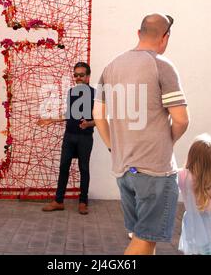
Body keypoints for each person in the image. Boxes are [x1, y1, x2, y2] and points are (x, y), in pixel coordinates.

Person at [93, 13, 189, 255]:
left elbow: (98, 115)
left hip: (125, 169)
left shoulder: (111, 66)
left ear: (138, 33)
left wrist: (112, 147)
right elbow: (181, 119)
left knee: (143, 237)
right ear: (165, 38)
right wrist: (168, 141)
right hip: (155, 170)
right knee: (145, 239)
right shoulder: (162, 65)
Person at [38, 62, 95, 215]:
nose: (78, 78)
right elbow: (69, 115)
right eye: (75, 75)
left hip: (85, 138)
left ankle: (83, 202)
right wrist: (51, 119)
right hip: (69, 136)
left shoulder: (96, 94)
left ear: (88, 77)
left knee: (84, 169)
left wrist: (89, 123)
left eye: (81, 75)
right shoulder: (71, 93)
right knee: (63, 168)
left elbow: (102, 118)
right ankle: (58, 201)